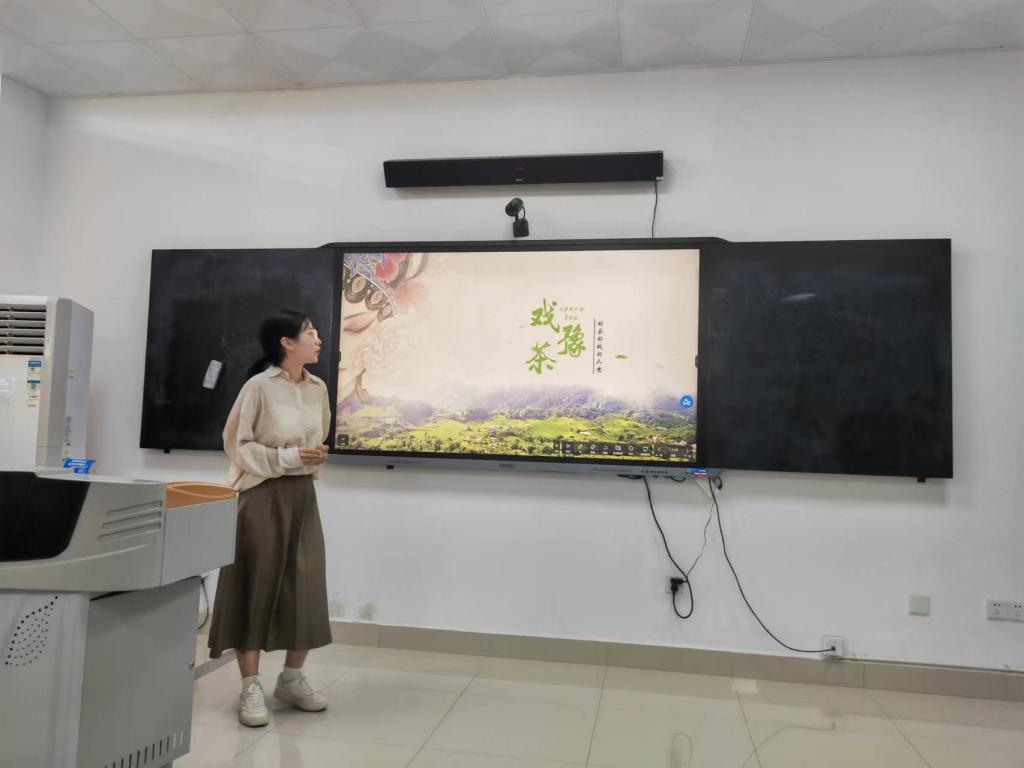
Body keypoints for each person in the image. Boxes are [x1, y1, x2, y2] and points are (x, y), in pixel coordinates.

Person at [208, 308, 333, 727]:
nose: (318, 340)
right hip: (261, 495)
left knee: (306, 584)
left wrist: (312, 455)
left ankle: (292, 679)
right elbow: (237, 444)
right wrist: (289, 457)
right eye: (310, 333)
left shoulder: (318, 388)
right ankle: (250, 685)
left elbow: (317, 435)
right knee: (254, 584)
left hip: (302, 495)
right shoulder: (258, 387)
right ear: (287, 343)